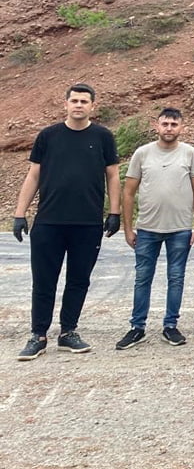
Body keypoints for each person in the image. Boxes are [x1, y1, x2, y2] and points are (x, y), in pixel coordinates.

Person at [14, 83, 121, 360]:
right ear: (66, 104)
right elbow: (33, 176)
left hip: (87, 223)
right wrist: (19, 213)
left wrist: (115, 212)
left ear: (92, 106)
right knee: (44, 280)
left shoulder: (102, 136)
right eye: (74, 100)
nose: (79, 105)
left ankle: (68, 332)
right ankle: (38, 335)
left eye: (84, 101)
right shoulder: (48, 136)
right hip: (49, 222)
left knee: (79, 280)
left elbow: (112, 176)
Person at [115, 108, 194, 350]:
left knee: (176, 278)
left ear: (181, 127)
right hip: (147, 228)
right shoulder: (142, 154)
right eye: (165, 124)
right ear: (156, 126)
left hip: (180, 229)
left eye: (174, 124)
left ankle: (170, 325)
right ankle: (137, 327)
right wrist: (128, 228)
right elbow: (128, 192)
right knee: (142, 278)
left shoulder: (191, 154)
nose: (169, 128)